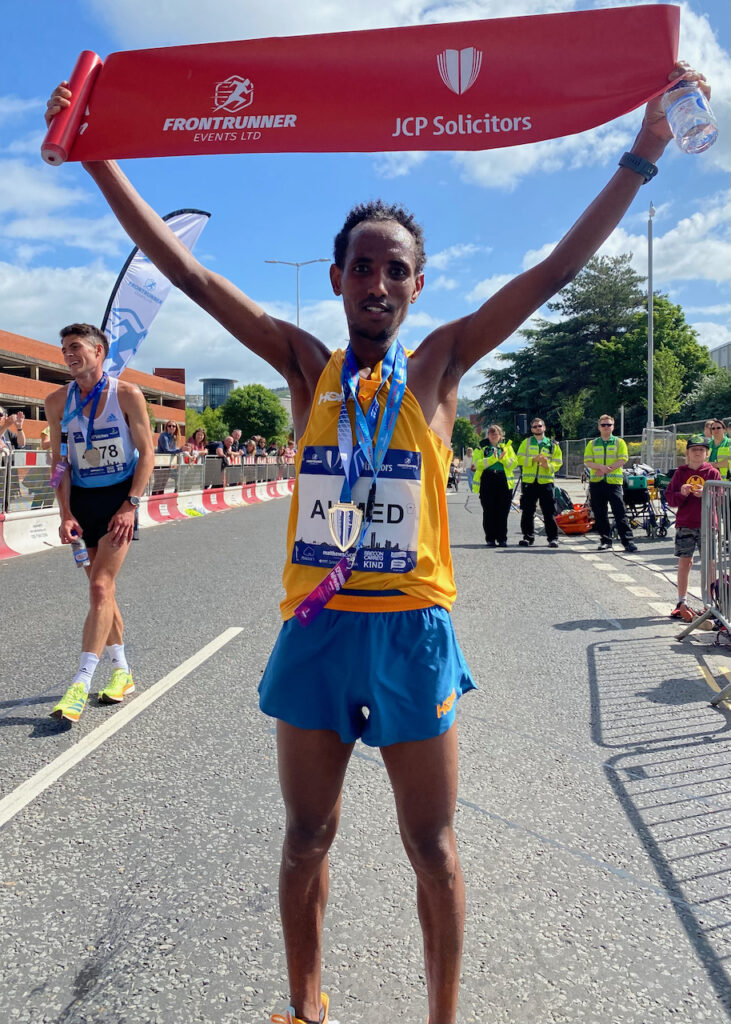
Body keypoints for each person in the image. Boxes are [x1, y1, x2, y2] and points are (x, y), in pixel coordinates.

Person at [46, 61, 708, 1024]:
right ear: (338, 279)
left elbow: (557, 270)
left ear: (416, 284)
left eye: (396, 267)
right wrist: (99, 158)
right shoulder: (304, 364)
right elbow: (187, 273)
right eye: (362, 265)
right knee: (305, 836)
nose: (379, 281)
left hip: (411, 635)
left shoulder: (439, 365)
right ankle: (305, 1008)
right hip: (315, 634)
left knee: (432, 848)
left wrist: (644, 152)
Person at [45, 323, 154, 722]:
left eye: (75, 347)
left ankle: (80, 682)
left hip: (118, 498)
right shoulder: (56, 401)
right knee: (101, 594)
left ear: (98, 352)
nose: (68, 355)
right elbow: (59, 463)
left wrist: (131, 504)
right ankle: (123, 673)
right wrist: (64, 512)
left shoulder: (126, 394)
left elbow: (146, 454)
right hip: (81, 501)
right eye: (64, 350)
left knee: (100, 585)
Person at [665, 435, 721, 622]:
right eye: (694, 449)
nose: (697, 453)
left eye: (701, 450)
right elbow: (670, 499)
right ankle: (681, 602)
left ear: (707, 453)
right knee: (685, 562)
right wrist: (681, 493)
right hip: (685, 523)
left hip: (707, 524)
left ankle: (711, 603)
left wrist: (705, 494)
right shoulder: (680, 473)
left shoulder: (712, 473)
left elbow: (720, 498)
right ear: (687, 453)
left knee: (710, 563)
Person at [583, 414, 638, 552]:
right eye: (603, 425)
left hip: (614, 483)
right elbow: (587, 461)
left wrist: (607, 470)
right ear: (599, 427)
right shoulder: (592, 443)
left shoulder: (619, 442)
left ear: (613, 427)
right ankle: (605, 541)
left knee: (620, 513)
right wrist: (600, 468)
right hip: (597, 482)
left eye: (609, 425)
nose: (606, 427)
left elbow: (623, 459)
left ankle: (628, 542)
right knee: (600, 514)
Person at [516, 417, 563, 547]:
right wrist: (533, 459)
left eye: (540, 426)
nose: (538, 428)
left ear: (544, 427)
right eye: (535, 426)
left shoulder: (552, 444)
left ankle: (553, 538)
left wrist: (548, 466)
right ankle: (528, 537)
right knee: (527, 511)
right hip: (529, 481)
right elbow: (518, 459)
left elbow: (558, 462)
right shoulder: (526, 443)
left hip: (546, 481)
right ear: (531, 429)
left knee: (549, 512)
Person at [472, 426, 516, 547]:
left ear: (501, 435)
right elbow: (477, 464)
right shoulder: (481, 447)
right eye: (491, 433)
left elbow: (513, 463)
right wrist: (493, 458)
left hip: (504, 480)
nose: (493, 435)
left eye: (496, 433)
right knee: (489, 511)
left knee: (503, 511)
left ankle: (502, 539)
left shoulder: (507, 447)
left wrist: (503, 458)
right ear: (487, 436)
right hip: (487, 479)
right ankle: (490, 538)